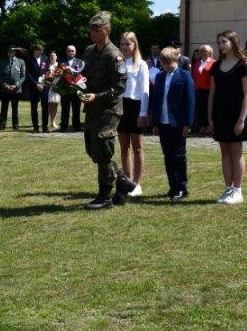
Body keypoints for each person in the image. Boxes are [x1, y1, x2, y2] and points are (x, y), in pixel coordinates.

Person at [79, 13, 131, 209]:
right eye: (91, 28)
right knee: (93, 150)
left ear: (107, 30)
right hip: (92, 108)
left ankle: (105, 197)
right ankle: (122, 181)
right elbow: (84, 78)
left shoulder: (114, 55)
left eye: (97, 29)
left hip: (109, 109)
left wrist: (96, 96)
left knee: (103, 150)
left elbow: (119, 87)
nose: (92, 32)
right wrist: (72, 83)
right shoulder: (89, 52)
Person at [208, 30, 247, 205]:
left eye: (223, 42)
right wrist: (209, 116)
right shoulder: (216, 66)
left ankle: (237, 190)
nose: (220, 45)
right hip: (220, 113)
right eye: (218, 42)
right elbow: (212, 92)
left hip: (237, 114)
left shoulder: (243, 65)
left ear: (233, 42)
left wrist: (241, 119)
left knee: (236, 150)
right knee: (224, 151)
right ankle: (228, 188)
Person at [152, 47, 194, 201]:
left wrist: (187, 124)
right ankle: (172, 186)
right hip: (163, 122)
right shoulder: (160, 77)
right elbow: (156, 100)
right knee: (167, 156)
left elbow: (190, 101)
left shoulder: (185, 76)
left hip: (178, 123)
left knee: (179, 155)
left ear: (176, 60)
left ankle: (182, 187)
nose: (166, 66)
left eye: (169, 62)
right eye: (163, 63)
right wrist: (155, 122)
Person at [117, 31, 148, 198]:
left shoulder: (141, 64)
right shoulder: (119, 63)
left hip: (135, 106)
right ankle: (127, 181)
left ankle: (137, 183)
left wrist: (143, 113)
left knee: (137, 148)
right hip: (121, 106)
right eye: (122, 44)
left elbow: (145, 90)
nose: (124, 47)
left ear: (134, 44)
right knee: (124, 147)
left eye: (127, 44)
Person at [0, 46, 25, 131]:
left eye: (12, 52)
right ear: (7, 53)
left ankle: (15, 127)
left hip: (16, 89)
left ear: (15, 53)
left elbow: (23, 76)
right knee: (4, 108)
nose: (11, 53)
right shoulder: (3, 62)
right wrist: (5, 85)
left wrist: (16, 85)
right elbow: (0, 76)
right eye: (9, 52)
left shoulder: (21, 62)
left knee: (15, 108)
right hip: (5, 89)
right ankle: (2, 126)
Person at [60, 45, 84, 132]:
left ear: (75, 52)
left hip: (76, 89)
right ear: (66, 52)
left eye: (73, 51)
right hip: (65, 89)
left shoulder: (80, 62)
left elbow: (82, 75)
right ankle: (63, 126)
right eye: (69, 51)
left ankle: (77, 126)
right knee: (65, 109)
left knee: (76, 109)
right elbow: (58, 75)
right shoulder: (61, 62)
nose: (71, 52)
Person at [24, 44, 48, 132]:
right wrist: (36, 84)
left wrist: (43, 83)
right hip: (34, 86)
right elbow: (28, 74)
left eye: (41, 53)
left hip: (44, 86)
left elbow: (48, 71)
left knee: (45, 106)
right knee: (34, 107)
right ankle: (35, 127)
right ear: (34, 51)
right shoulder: (29, 59)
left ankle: (45, 127)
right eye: (38, 52)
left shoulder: (45, 58)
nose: (40, 54)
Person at [192, 45, 214, 132]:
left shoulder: (213, 62)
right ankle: (202, 126)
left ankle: (209, 126)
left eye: (206, 51)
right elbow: (194, 76)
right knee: (200, 108)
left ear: (209, 52)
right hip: (198, 88)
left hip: (208, 89)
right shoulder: (197, 63)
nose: (204, 53)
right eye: (202, 51)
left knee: (208, 108)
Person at [44, 50, 60, 131]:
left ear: (56, 57)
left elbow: (61, 77)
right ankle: (48, 121)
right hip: (49, 87)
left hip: (57, 87)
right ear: (49, 57)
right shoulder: (46, 65)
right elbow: (44, 76)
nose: (52, 57)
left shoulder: (59, 66)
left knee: (55, 104)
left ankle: (53, 121)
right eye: (51, 56)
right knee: (49, 104)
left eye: (54, 55)